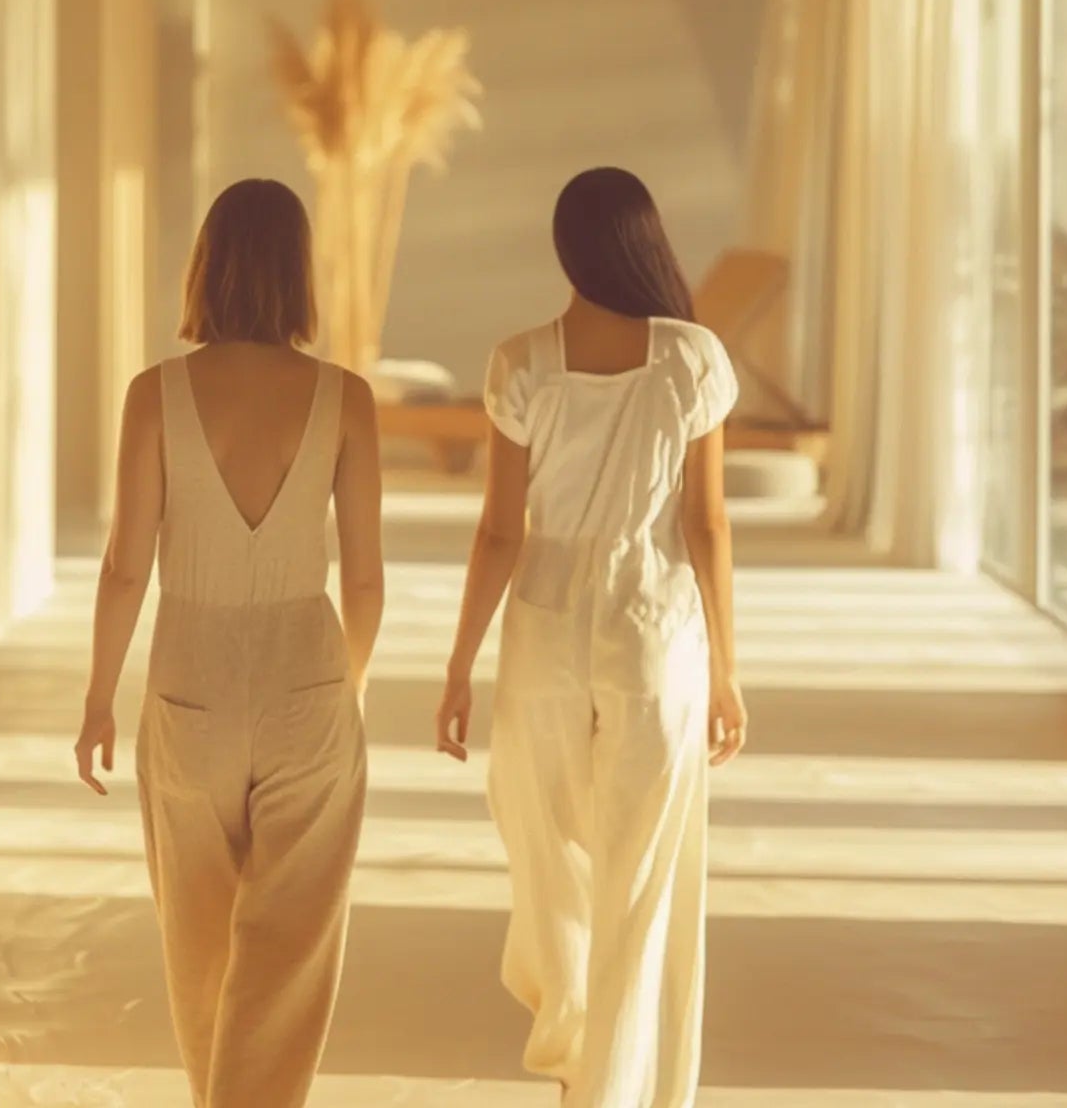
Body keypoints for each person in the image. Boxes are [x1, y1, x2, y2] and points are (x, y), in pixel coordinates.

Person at [435, 166, 743, 1107]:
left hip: (544, 633)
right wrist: (727, 672)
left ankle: (580, 1054)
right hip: (656, 634)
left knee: (552, 861)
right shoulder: (692, 359)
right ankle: (612, 1080)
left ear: (566, 248)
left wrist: (458, 669)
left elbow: (500, 530)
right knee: (643, 880)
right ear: (645, 243)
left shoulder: (520, 364)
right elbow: (707, 523)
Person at [74, 177, 385, 1108]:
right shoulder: (346, 398)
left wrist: (97, 698)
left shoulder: (154, 396)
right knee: (289, 953)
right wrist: (346, 691)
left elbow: (126, 567)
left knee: (200, 948)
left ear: (205, 266)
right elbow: (364, 579)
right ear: (300, 273)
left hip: (187, 686)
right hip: (308, 677)